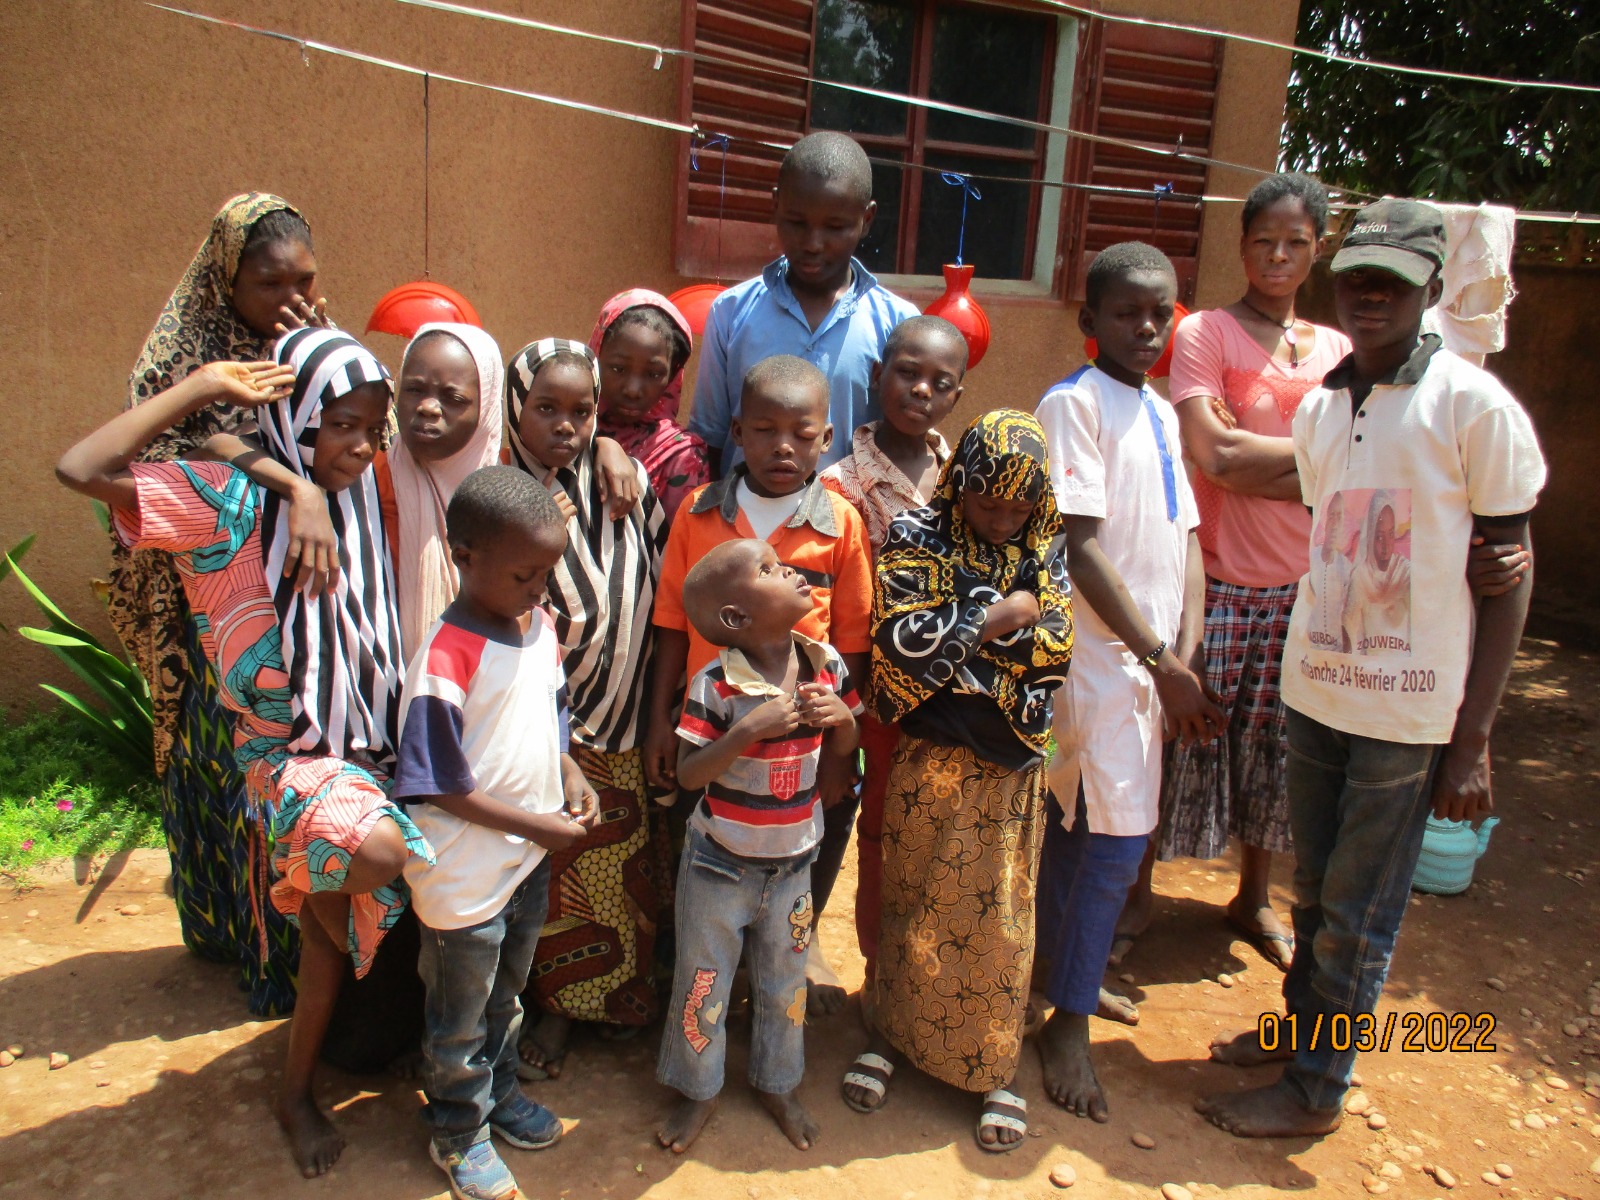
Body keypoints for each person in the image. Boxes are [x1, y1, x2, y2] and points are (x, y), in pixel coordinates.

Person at [1198, 199, 1546, 1138]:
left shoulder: (1472, 407)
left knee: (1360, 908)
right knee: (1317, 891)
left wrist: (1472, 739)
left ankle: (1316, 1091)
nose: (1372, 295)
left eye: (1394, 281)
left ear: (1430, 289)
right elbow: (1334, 531)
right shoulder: (1322, 406)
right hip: (1316, 691)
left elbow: (1510, 574)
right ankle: (1299, 1036)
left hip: (1408, 714)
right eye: (1358, 277)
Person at [57, 328, 434, 1178]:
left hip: (369, 746)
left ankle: (297, 1090)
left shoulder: (363, 496)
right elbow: (79, 469)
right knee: (375, 855)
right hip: (284, 759)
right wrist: (201, 388)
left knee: (329, 941)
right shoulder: (222, 502)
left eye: (371, 429)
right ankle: (308, 1041)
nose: (361, 446)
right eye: (340, 424)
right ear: (294, 421)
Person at [104, 193, 333, 1015]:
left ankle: (283, 946)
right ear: (224, 281)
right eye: (270, 284)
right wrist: (283, 479)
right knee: (211, 763)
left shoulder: (311, 350)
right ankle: (221, 927)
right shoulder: (182, 363)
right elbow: (158, 454)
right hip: (205, 599)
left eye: (305, 281)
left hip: (296, 603)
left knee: (272, 776)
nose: (291, 300)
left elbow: (349, 439)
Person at [841, 410, 1073, 1151]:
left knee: (1000, 918)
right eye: (987, 503)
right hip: (928, 758)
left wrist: (961, 634)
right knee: (910, 899)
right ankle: (889, 1035)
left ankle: (994, 1066)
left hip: (1008, 769)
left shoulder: (1046, 547)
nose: (1002, 520)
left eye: (1017, 508)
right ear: (960, 484)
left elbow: (1054, 650)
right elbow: (899, 644)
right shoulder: (916, 535)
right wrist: (1002, 615)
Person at [1033, 241, 1223, 1123]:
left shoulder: (1159, 411)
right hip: (1099, 664)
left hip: (1151, 666)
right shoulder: (1075, 404)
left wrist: (1188, 651)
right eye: (1126, 313)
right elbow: (1079, 548)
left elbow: (1187, 541)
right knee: (1109, 844)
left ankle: (1061, 981)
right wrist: (1158, 659)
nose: (1147, 328)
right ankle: (1068, 1024)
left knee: (1090, 836)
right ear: (1089, 321)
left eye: (1161, 313)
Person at [1148, 173, 1353, 972]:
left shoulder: (1338, 350)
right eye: (1263, 240)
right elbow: (1214, 455)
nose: (1277, 255)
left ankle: (1254, 896)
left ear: (1317, 249)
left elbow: (1354, 470)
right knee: (1184, 731)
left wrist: (1266, 460)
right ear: (1241, 246)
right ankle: (1135, 895)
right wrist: (1314, 464)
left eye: (1295, 242)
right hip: (1219, 571)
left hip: (1306, 584)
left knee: (1279, 746)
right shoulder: (1208, 333)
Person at [393, 466, 599, 1200]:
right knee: (460, 1016)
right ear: (464, 555)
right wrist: (536, 824)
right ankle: (458, 1130)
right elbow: (438, 783)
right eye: (523, 575)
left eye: (547, 573)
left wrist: (571, 776)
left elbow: (551, 717)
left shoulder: (538, 629)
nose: (540, 590)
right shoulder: (445, 656)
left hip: (525, 861)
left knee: (508, 994)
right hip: (463, 874)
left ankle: (498, 1095)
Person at [647, 355, 873, 1015]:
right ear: (738, 432)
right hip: (713, 736)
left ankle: (778, 972)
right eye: (765, 430)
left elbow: (852, 642)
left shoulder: (841, 523)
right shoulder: (698, 514)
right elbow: (670, 625)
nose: (783, 447)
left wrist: (841, 750)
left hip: (801, 751)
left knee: (799, 864)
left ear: (826, 439)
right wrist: (660, 720)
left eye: (802, 434)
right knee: (707, 859)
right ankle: (704, 981)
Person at [499, 338, 672, 1080]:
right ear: (515, 408)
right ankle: (553, 1010)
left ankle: (614, 1002)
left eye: (582, 411)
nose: (565, 426)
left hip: (624, 714)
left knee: (615, 869)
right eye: (546, 408)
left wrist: (610, 450)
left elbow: (663, 585)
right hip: (544, 727)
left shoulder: (622, 483)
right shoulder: (500, 496)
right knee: (550, 877)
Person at [655, 538, 861, 1154]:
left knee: (784, 983)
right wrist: (747, 730)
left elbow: (849, 743)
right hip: (718, 866)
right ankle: (698, 1091)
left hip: (794, 864)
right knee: (704, 983)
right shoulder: (716, 684)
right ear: (736, 617)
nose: (790, 570)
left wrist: (841, 719)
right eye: (769, 570)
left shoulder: (824, 663)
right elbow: (689, 774)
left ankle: (779, 1084)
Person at [819, 313, 965, 986]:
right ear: (878, 376)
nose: (921, 391)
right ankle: (873, 970)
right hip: (873, 697)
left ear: (957, 395)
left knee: (936, 831)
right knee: (870, 826)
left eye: (941, 382)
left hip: (951, 700)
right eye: (907, 373)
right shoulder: (840, 486)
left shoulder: (963, 474)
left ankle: (921, 979)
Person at [688, 131, 919, 476]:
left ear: (866, 220)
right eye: (797, 223)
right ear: (775, 205)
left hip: (853, 511)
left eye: (835, 227)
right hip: (744, 510)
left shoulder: (898, 324)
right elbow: (709, 439)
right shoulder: (731, 312)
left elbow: (910, 441)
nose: (813, 243)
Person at [379, 322, 505, 657]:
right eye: (414, 389)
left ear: (486, 408)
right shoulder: (368, 480)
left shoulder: (509, 497)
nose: (428, 407)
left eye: (453, 398)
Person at [588, 289, 710, 524]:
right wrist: (600, 444)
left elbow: (682, 540)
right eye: (618, 369)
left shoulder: (681, 455)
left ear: (672, 375)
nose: (633, 390)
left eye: (653, 374)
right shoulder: (568, 429)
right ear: (596, 357)